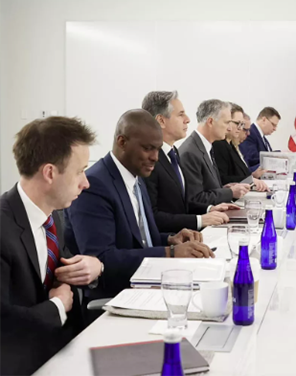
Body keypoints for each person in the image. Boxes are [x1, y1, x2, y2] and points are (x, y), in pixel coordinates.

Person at [65, 110, 213, 300]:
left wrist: (170, 240)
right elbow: (101, 258)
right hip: (118, 295)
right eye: (148, 148)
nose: (155, 157)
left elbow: (140, 240)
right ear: (122, 142)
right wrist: (170, 252)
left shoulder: (136, 177)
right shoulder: (94, 185)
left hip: (148, 283)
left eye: (157, 149)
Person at [0, 117, 102, 376]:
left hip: (66, 352)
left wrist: (91, 268)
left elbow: (61, 267)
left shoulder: (53, 215)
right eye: (80, 171)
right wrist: (57, 306)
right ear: (49, 173)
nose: (86, 182)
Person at [141, 91, 236, 233]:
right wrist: (200, 220)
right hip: (170, 240)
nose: (188, 119)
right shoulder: (149, 160)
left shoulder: (173, 152)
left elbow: (182, 203)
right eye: (181, 114)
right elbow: (152, 217)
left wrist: (209, 209)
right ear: (161, 120)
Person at [180, 99, 250, 205]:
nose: (229, 128)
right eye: (226, 122)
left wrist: (224, 189)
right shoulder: (190, 153)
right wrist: (230, 192)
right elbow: (195, 199)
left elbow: (208, 188)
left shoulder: (205, 146)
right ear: (211, 122)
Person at [213, 103, 268, 190]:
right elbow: (222, 179)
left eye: (242, 124)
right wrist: (250, 180)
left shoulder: (231, 144)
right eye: (238, 123)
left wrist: (252, 177)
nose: (240, 128)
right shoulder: (219, 145)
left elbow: (241, 173)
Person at [239, 106, 280, 172]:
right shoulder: (250, 133)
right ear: (264, 120)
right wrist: (280, 155)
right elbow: (252, 160)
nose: (275, 129)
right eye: (273, 125)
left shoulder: (262, 137)